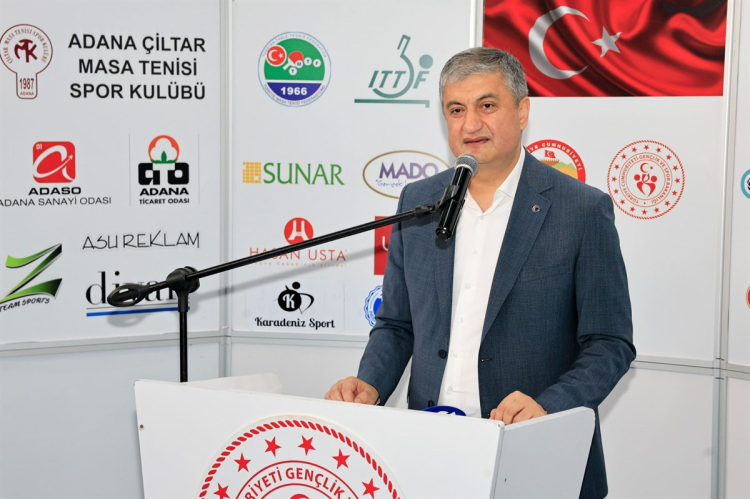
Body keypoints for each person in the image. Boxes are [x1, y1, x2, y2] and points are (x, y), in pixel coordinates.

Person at [325, 47, 635, 499]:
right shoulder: (419, 202)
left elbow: (610, 343)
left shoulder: (581, 210)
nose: (470, 124)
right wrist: (370, 384)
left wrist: (549, 406)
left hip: (535, 453)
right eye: (456, 110)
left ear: (522, 111)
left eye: (487, 105)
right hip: (431, 449)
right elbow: (396, 324)